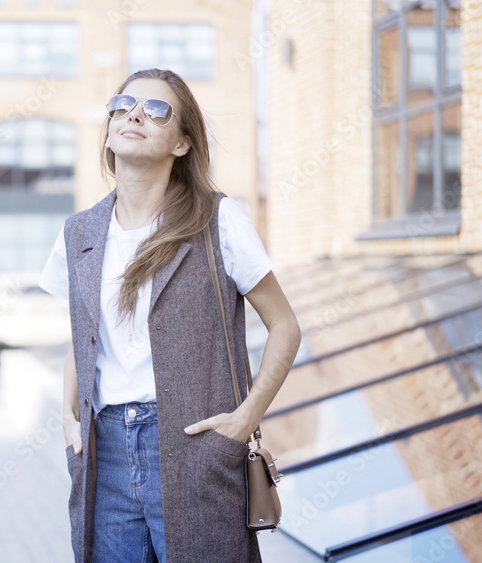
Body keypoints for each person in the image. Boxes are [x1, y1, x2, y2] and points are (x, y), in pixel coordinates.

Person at [38, 68, 302, 562]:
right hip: (105, 455)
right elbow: (82, 337)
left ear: (182, 143)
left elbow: (285, 327)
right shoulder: (79, 233)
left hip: (195, 449)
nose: (134, 113)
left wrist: (245, 420)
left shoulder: (219, 221)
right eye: (123, 104)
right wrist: (68, 417)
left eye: (157, 109)